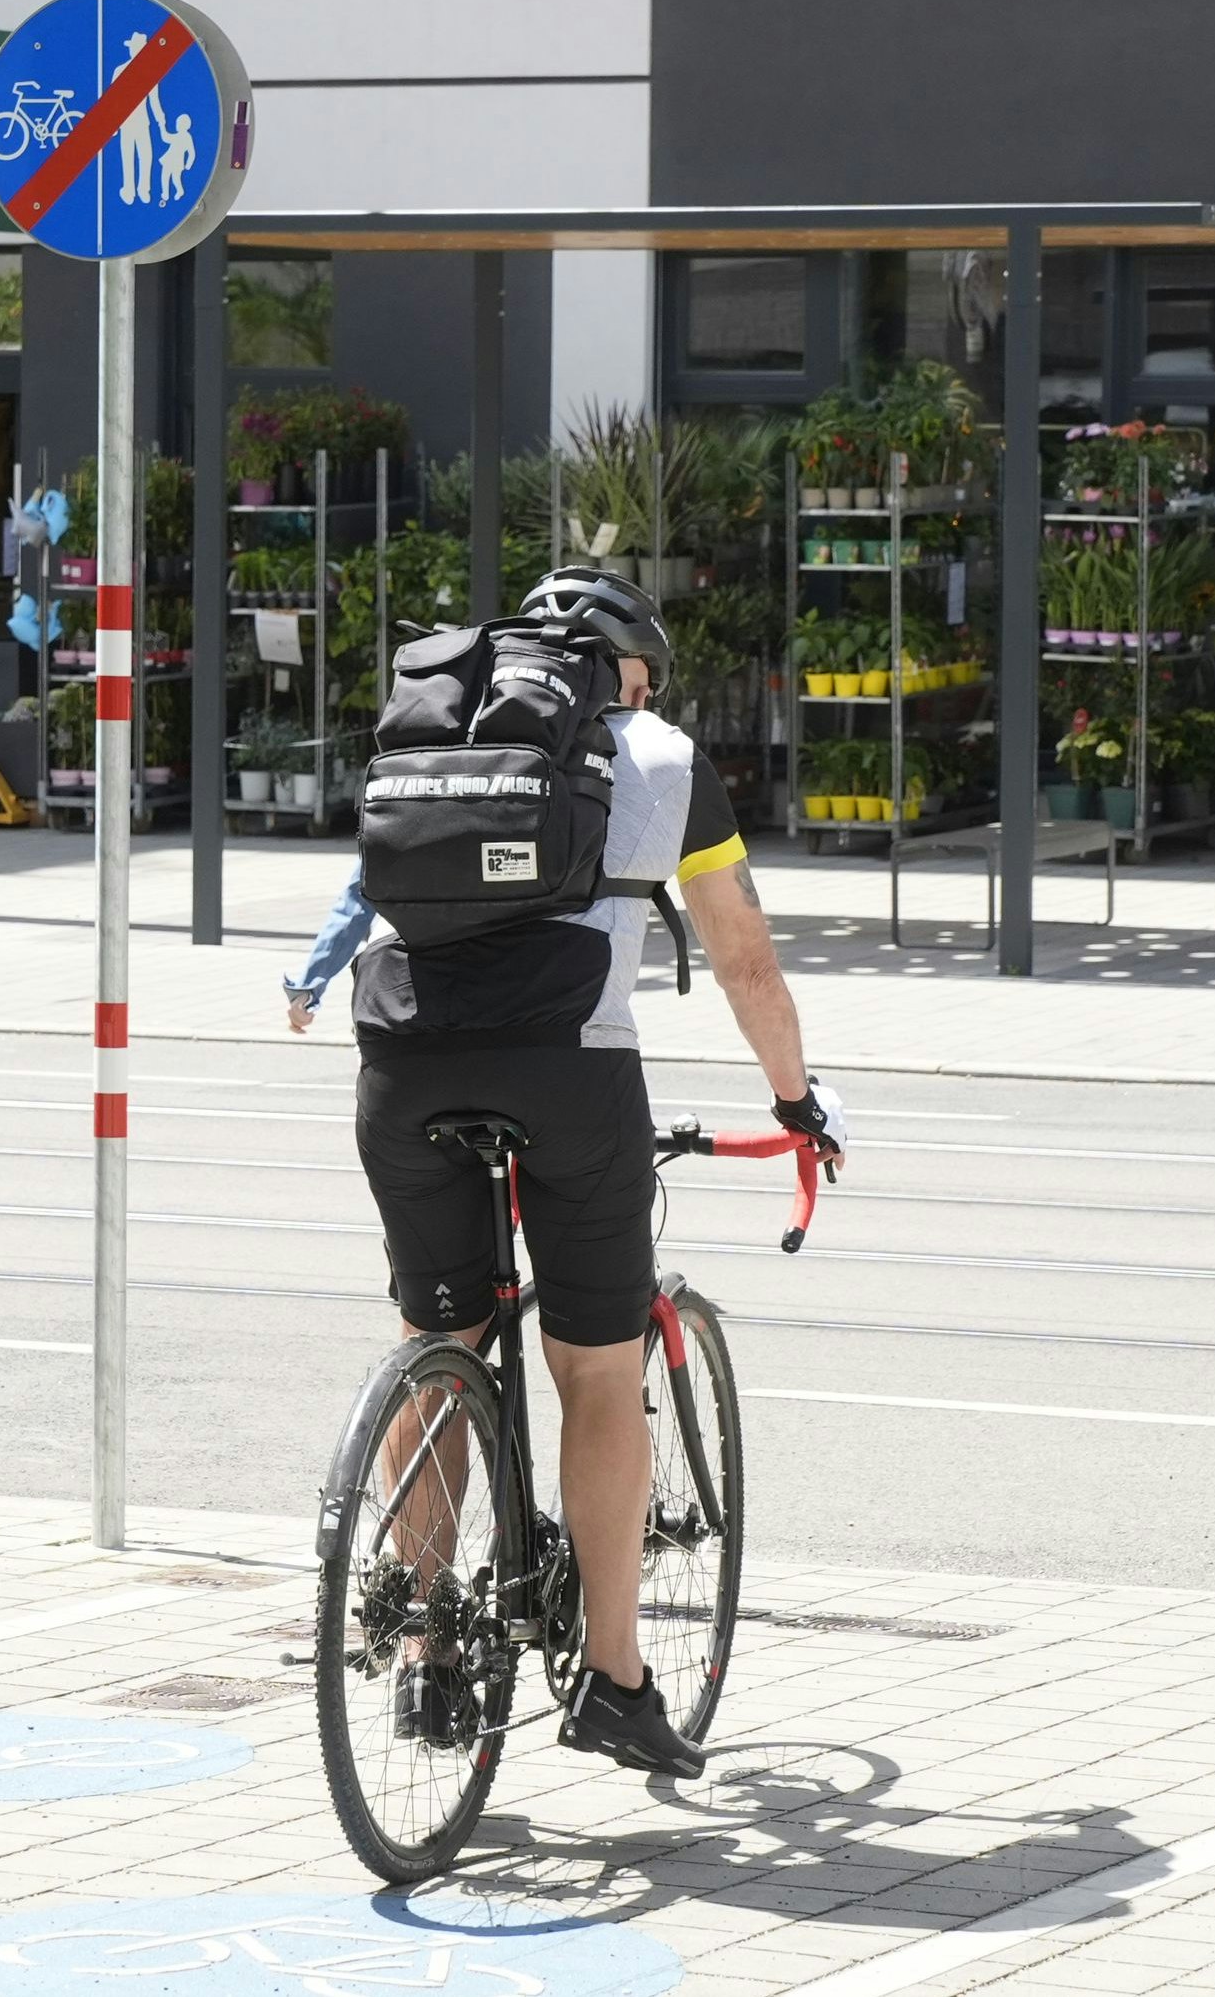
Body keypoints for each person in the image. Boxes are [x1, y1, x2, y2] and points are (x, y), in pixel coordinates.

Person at [288, 567, 845, 1781]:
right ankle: (614, 1678)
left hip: (399, 1068)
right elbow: (743, 961)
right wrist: (797, 1101)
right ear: (625, 666)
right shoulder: (659, 753)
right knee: (594, 1370)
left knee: (434, 1342)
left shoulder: (433, 728)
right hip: (568, 1071)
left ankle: (430, 1650)